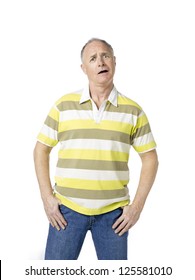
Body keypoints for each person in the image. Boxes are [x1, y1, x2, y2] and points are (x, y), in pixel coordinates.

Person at [33, 38, 159, 260]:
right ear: (84, 69)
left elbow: (150, 159)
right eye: (93, 58)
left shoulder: (133, 111)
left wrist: (136, 207)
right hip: (66, 212)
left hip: (114, 216)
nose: (101, 62)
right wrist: (46, 197)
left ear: (115, 62)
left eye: (105, 56)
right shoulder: (63, 106)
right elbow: (41, 150)